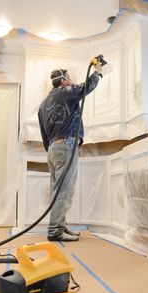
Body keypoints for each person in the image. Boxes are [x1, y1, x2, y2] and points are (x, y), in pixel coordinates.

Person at [38, 63, 102, 241]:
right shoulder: (66, 92)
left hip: (52, 148)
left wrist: (52, 150)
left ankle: (60, 226)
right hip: (66, 144)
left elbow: (43, 133)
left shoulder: (43, 104)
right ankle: (55, 231)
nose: (72, 81)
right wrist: (97, 72)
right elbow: (87, 86)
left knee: (57, 190)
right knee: (65, 190)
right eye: (70, 78)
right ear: (63, 81)